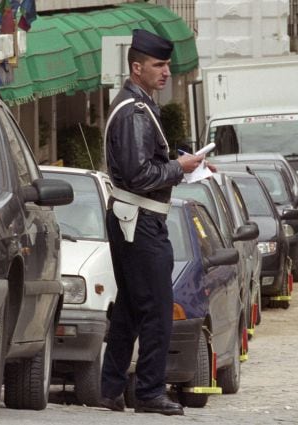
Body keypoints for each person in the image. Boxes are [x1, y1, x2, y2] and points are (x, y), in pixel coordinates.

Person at [99, 29, 207, 416]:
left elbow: (139, 167)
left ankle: (111, 388)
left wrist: (178, 163)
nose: (165, 72)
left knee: (130, 305)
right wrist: (180, 168)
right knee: (158, 307)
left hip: (136, 217)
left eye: (166, 65)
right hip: (140, 218)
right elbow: (139, 174)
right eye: (158, 65)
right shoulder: (133, 111)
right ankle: (148, 392)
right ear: (137, 67)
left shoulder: (137, 106)